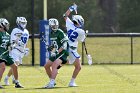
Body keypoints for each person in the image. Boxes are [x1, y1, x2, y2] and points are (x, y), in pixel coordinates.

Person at [63, 3, 86, 87]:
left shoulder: (69, 24)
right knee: (78, 67)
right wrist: (85, 35)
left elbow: (65, 15)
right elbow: (82, 40)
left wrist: (71, 8)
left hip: (65, 47)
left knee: (67, 62)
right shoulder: (81, 31)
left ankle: (57, 66)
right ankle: (71, 82)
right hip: (72, 49)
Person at [43, 18, 69, 88]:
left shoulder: (60, 32)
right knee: (46, 66)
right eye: (53, 26)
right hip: (56, 52)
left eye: (56, 25)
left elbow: (64, 45)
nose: (55, 27)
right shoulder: (51, 33)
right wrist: (51, 48)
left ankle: (51, 83)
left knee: (54, 65)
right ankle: (52, 81)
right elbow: (55, 45)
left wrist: (57, 51)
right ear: (50, 26)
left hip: (63, 52)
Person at [4, 17, 29, 86]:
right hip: (15, 50)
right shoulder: (15, 30)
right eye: (22, 23)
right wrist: (18, 43)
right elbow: (12, 41)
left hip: (21, 51)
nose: (23, 24)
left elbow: (25, 42)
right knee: (15, 64)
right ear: (18, 23)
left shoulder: (26, 31)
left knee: (15, 66)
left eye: (24, 23)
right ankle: (16, 81)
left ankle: (7, 77)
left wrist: (26, 49)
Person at [0, 18, 23, 88]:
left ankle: (17, 83)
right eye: (6, 25)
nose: (7, 26)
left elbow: (9, 45)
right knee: (3, 67)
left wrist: (12, 45)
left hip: (6, 54)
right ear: (1, 25)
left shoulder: (7, 34)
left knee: (15, 66)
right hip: (0, 54)